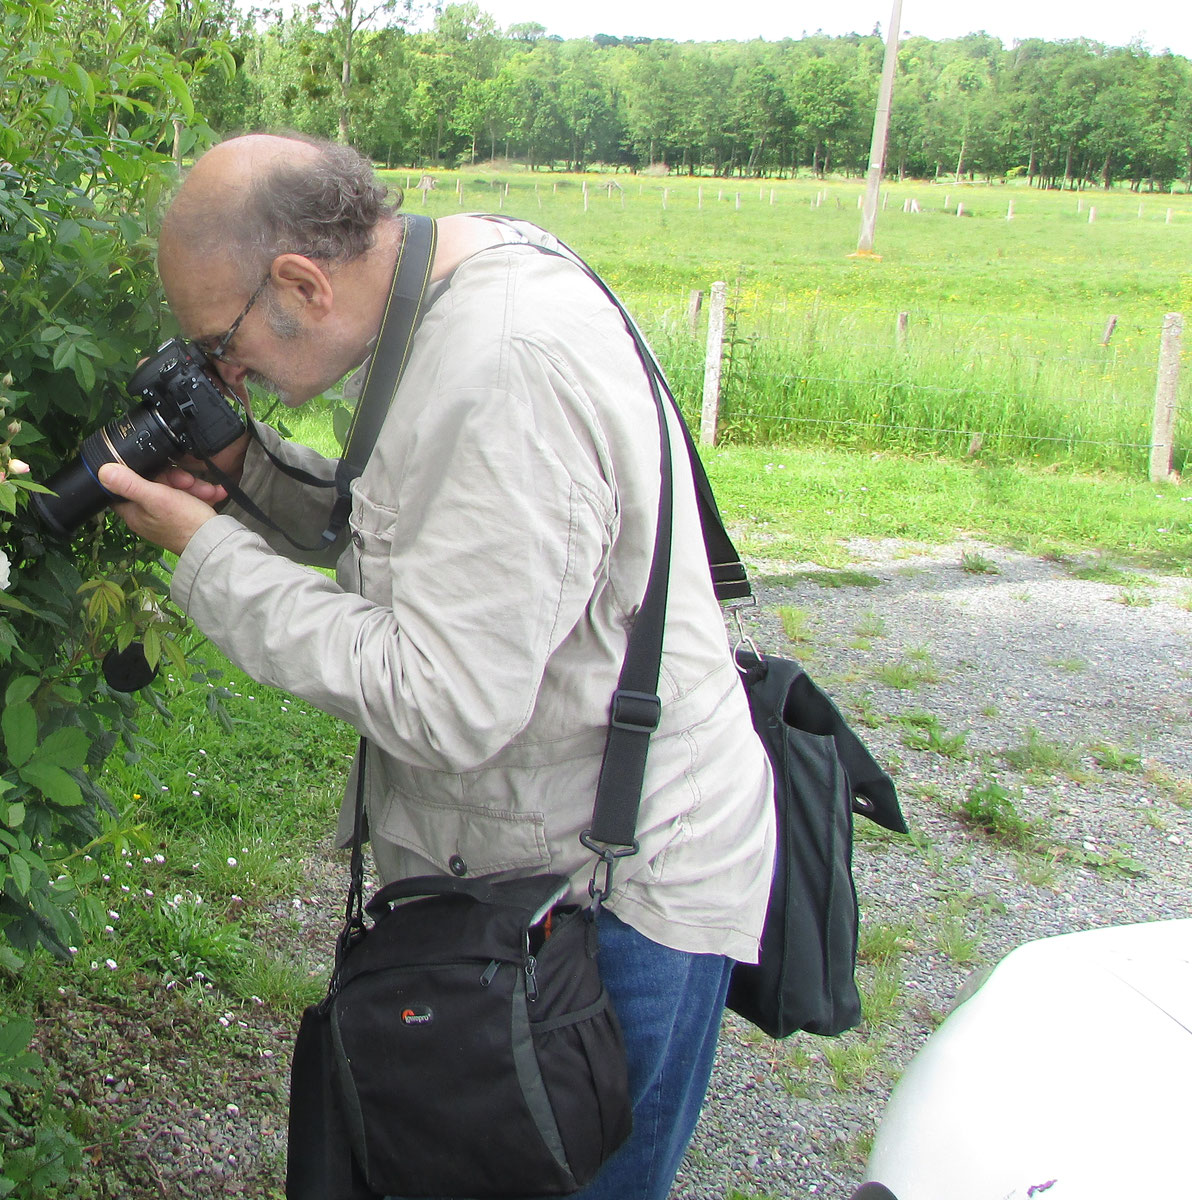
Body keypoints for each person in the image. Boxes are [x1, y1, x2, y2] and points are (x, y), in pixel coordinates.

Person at [94, 133, 775, 1200]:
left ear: (299, 283)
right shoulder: (445, 289)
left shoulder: (501, 362)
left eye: (220, 347)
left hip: (607, 907)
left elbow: (443, 698)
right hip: (528, 866)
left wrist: (206, 555)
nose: (229, 376)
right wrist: (248, 472)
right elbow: (418, 532)